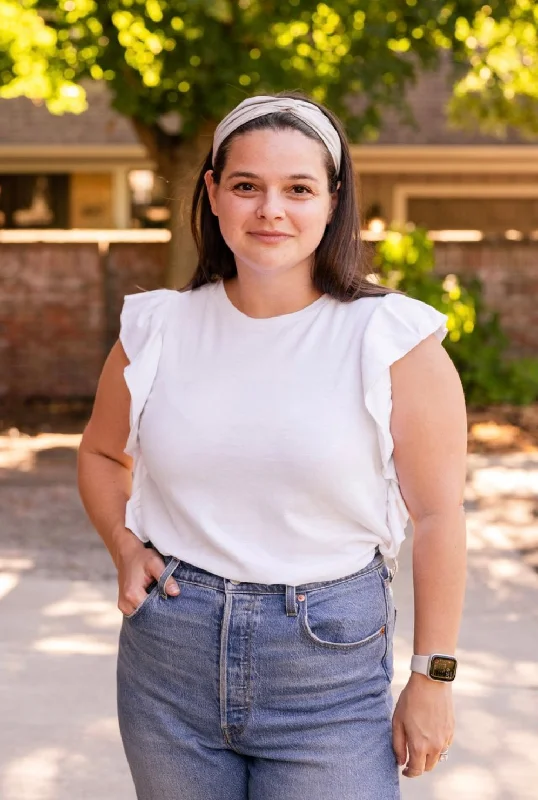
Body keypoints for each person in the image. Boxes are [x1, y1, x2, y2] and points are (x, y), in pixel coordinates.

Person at [77, 92, 467, 800]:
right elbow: (102, 456)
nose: (270, 211)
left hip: (329, 674)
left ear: (333, 200)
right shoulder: (155, 329)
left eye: (298, 189)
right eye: (246, 185)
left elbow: (439, 517)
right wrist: (123, 544)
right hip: (169, 661)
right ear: (213, 194)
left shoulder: (392, 341)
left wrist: (432, 676)